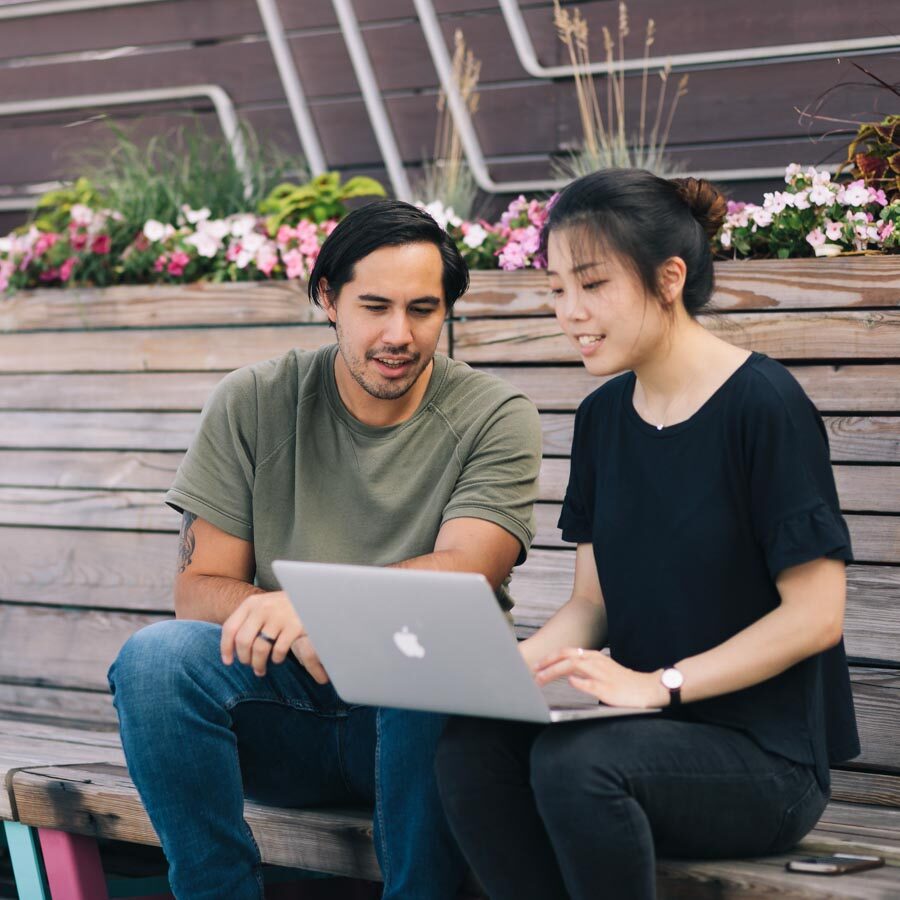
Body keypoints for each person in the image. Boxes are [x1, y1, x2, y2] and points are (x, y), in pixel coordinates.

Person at [434, 170, 860, 900]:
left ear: (669, 278)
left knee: (575, 767)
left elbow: (816, 615)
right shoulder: (603, 418)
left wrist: (660, 686)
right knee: (471, 748)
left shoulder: (763, 405)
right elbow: (590, 606)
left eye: (592, 284)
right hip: (636, 729)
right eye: (557, 288)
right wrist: (502, 675)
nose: (569, 312)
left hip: (764, 758)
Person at [108, 199, 542, 900]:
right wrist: (299, 619)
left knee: (429, 652)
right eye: (374, 306)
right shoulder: (254, 400)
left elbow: (465, 570)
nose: (398, 334)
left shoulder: (496, 415)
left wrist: (319, 612)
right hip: (289, 714)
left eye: (423, 310)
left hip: (431, 732)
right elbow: (200, 588)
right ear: (327, 299)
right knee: (155, 662)